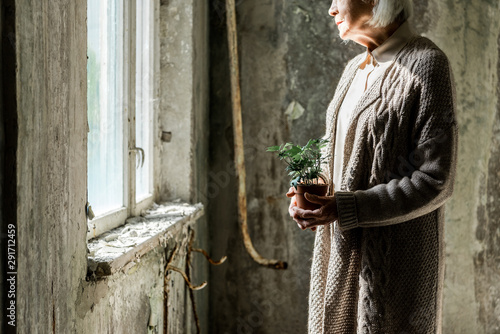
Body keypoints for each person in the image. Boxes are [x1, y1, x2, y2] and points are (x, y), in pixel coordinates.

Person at [286, 0, 458, 333]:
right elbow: (337, 153)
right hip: (338, 254)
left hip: (395, 266)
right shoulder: (354, 68)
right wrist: (310, 187)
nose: (331, 10)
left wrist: (348, 207)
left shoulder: (427, 65)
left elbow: (435, 179)